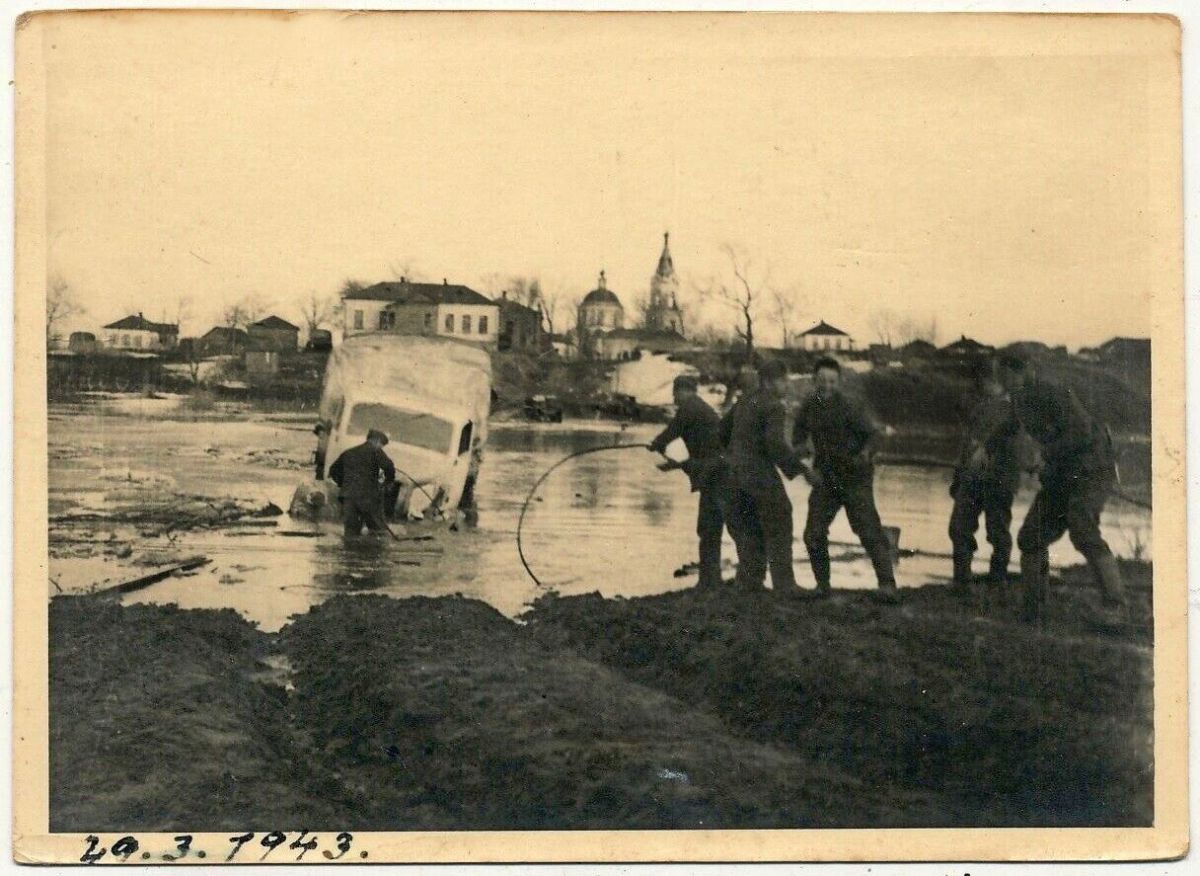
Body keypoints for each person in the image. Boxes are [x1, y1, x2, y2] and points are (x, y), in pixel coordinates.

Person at [993, 353, 1125, 621]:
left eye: (1008, 375)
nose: (1003, 382)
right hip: (1060, 476)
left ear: (1026, 371)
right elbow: (1009, 428)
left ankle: (1115, 606)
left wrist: (1046, 456)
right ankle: (1034, 607)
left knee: (1082, 529)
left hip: (1091, 471)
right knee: (1031, 537)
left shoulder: (1052, 392)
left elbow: (1082, 432)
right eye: (1000, 377)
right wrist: (985, 449)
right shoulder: (1019, 400)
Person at [792, 357, 898, 603]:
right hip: (826, 478)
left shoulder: (850, 405)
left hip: (855, 477)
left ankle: (887, 585)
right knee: (813, 532)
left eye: (831, 381)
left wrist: (864, 454)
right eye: (822, 381)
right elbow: (798, 440)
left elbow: (873, 435)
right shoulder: (809, 406)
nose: (826, 386)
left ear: (838, 382)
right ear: (813, 381)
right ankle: (822, 585)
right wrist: (806, 464)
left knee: (867, 529)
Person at [719, 359, 805, 595]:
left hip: (735, 476)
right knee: (779, 520)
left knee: (748, 526)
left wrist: (735, 454)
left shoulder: (744, 400)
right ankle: (784, 584)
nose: (786, 385)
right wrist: (800, 471)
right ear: (769, 382)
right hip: (759, 475)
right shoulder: (774, 406)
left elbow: (722, 431)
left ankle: (749, 580)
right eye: (783, 380)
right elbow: (775, 445)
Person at [947, 357, 1025, 591]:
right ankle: (961, 581)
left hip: (999, 481)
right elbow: (968, 446)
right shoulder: (980, 408)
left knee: (998, 532)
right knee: (959, 528)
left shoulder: (1014, 411)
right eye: (983, 380)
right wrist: (958, 478)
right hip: (971, 480)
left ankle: (997, 580)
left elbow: (1013, 449)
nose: (985, 384)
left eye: (989, 379)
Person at [648, 375, 730, 588]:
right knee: (711, 526)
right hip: (718, 472)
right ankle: (711, 578)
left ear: (685, 391)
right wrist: (670, 457)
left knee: (709, 526)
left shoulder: (690, 407)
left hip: (717, 475)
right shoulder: (698, 408)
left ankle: (710, 580)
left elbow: (675, 429)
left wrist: (657, 443)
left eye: (675, 392)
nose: (673, 397)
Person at [328, 428, 397, 538]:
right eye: (381, 444)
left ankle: (349, 554)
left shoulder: (348, 452)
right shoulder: (376, 451)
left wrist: (344, 484)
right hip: (368, 497)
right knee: (378, 531)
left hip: (348, 498)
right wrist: (387, 483)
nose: (381, 447)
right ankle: (374, 553)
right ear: (376, 441)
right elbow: (389, 467)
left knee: (350, 534)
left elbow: (333, 471)